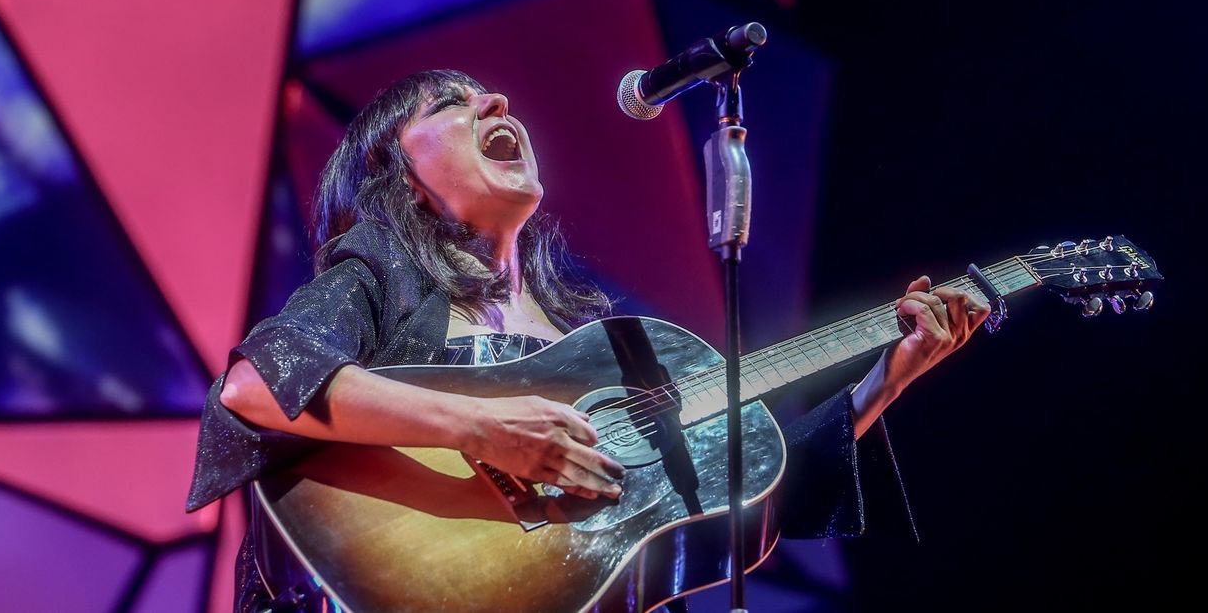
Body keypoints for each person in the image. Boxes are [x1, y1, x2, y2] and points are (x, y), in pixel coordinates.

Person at [185, 69, 990, 612]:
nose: (497, 101)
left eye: (490, 96)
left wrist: (886, 377)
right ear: (396, 170)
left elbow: (732, 485)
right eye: (451, 104)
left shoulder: (591, 347)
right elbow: (256, 385)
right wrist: (479, 426)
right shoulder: (382, 272)